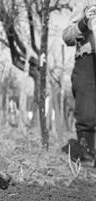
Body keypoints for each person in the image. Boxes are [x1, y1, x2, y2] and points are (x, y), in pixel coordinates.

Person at [63, 0, 96, 166]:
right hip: (87, 61)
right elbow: (68, 36)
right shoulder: (84, 4)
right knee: (86, 110)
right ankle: (87, 153)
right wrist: (84, 22)